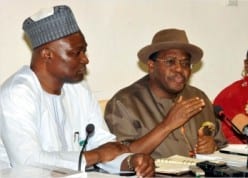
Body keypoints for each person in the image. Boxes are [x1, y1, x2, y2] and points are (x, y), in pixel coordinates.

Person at [0, 5, 154, 176]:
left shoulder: (78, 88)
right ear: (47, 54)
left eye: (84, 50)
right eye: (76, 52)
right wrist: (96, 155)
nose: (85, 59)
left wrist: (130, 161)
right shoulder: (16, 94)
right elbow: (28, 161)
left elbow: (104, 144)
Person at [104, 28, 227, 159]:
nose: (179, 69)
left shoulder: (198, 97)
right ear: (151, 66)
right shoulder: (124, 103)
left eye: (185, 63)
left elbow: (221, 143)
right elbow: (120, 159)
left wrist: (212, 145)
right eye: (170, 61)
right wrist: (167, 125)